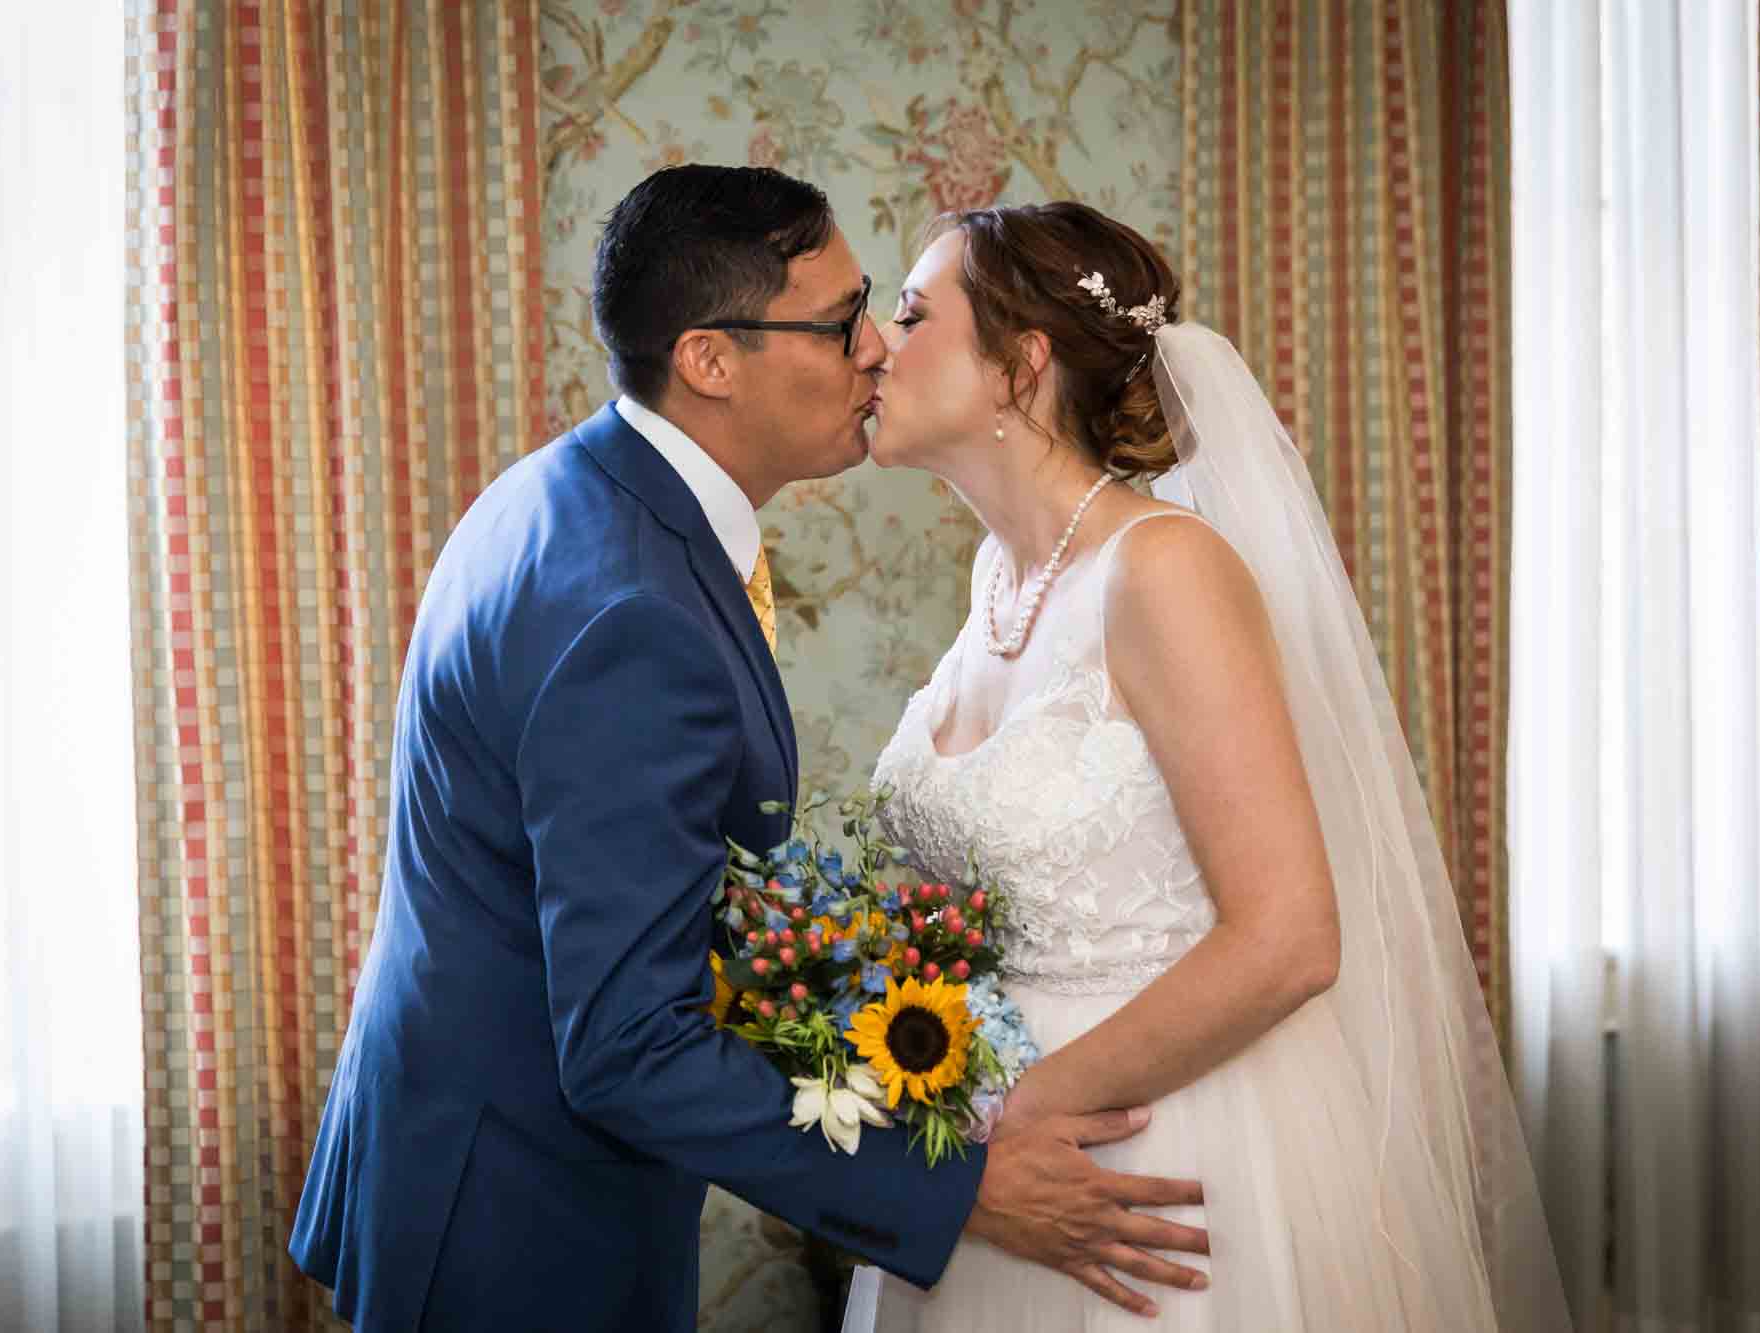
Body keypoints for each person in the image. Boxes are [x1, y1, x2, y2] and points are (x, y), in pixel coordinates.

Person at [287, 167, 1210, 1332]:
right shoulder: (633, 610)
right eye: (838, 325)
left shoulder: (568, 490)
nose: (874, 348)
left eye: (880, 307)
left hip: (455, 1147)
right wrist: (957, 1186)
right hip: (521, 1221)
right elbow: (627, 1045)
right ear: (708, 360)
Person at [846, 201, 1573, 1331]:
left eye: (908, 312)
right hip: (998, 1154)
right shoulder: (1000, 578)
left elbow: (1289, 937)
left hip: (1165, 1149)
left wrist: (1014, 1119)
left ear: (1017, 365)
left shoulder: (1165, 571)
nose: (874, 347)